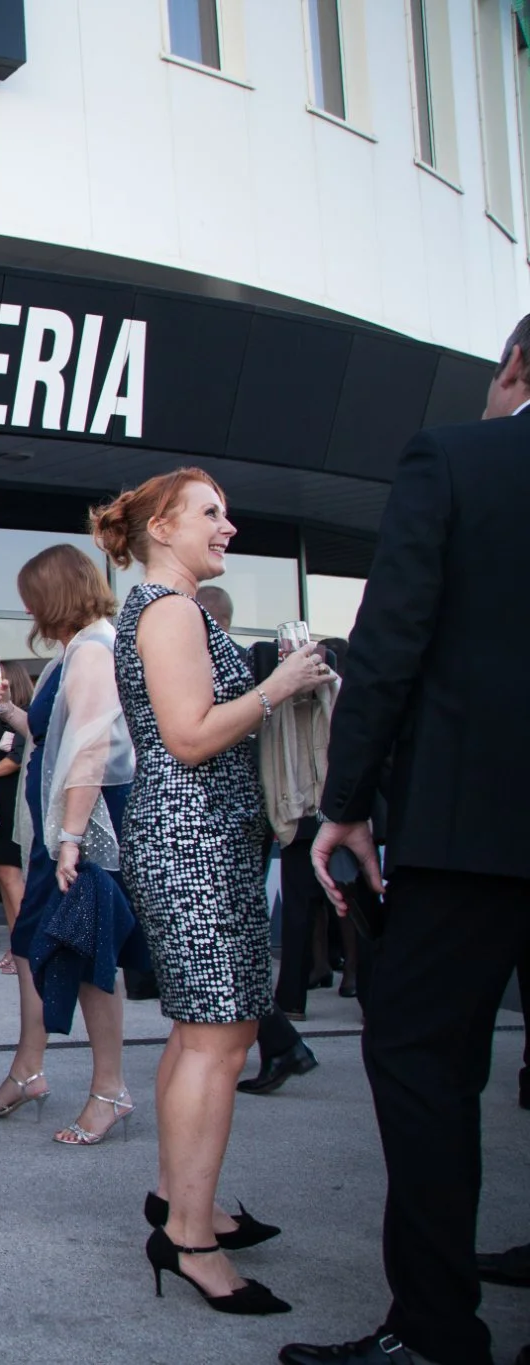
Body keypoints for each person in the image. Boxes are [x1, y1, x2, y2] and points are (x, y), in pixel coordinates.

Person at [284, 317, 530, 1365]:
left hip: (475, 826)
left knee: (422, 1057)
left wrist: (344, 803)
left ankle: (434, 1330)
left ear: (514, 366)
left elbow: (387, 646)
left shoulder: (460, 461)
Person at [99, 467, 328, 1316]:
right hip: (195, 839)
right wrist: (278, 687)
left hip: (198, 839)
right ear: (163, 527)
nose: (227, 526)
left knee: (202, 1037)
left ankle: (179, 1199)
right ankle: (190, 1237)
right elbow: (190, 736)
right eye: (210, 513)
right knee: (219, 1043)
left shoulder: (166, 608)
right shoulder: (170, 611)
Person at [0, 544, 141, 1147]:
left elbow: (93, 750)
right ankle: (29, 1070)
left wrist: (71, 839)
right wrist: (10, 711)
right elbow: (50, 738)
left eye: (32, 597)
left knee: (89, 955)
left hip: (83, 830)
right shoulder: (76, 651)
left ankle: (109, 1090)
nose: (27, 609)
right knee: (33, 944)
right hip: (61, 829)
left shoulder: (93, 650)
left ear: (54, 596)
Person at [193, 583, 321, 1094]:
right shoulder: (242, 664)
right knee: (235, 940)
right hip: (249, 809)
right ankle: (279, 1041)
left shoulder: (232, 665)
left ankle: (278, 1040)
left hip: (234, 812)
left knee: (227, 941)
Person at [0, 667, 35, 974]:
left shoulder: (25, 718)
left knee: (13, 876)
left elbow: (16, 759)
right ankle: (16, 946)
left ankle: (26, 949)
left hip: (14, 805)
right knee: (4, 875)